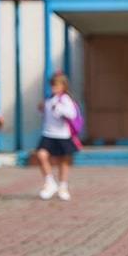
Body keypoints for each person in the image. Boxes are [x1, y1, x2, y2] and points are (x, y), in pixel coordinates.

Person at [36, 72, 79, 201]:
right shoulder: (49, 98)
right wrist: (41, 107)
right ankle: (50, 182)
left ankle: (63, 187)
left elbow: (72, 115)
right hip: (48, 133)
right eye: (52, 85)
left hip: (62, 135)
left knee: (63, 161)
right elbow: (44, 115)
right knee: (41, 155)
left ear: (63, 86)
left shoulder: (65, 99)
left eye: (57, 85)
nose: (54, 88)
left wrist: (59, 108)